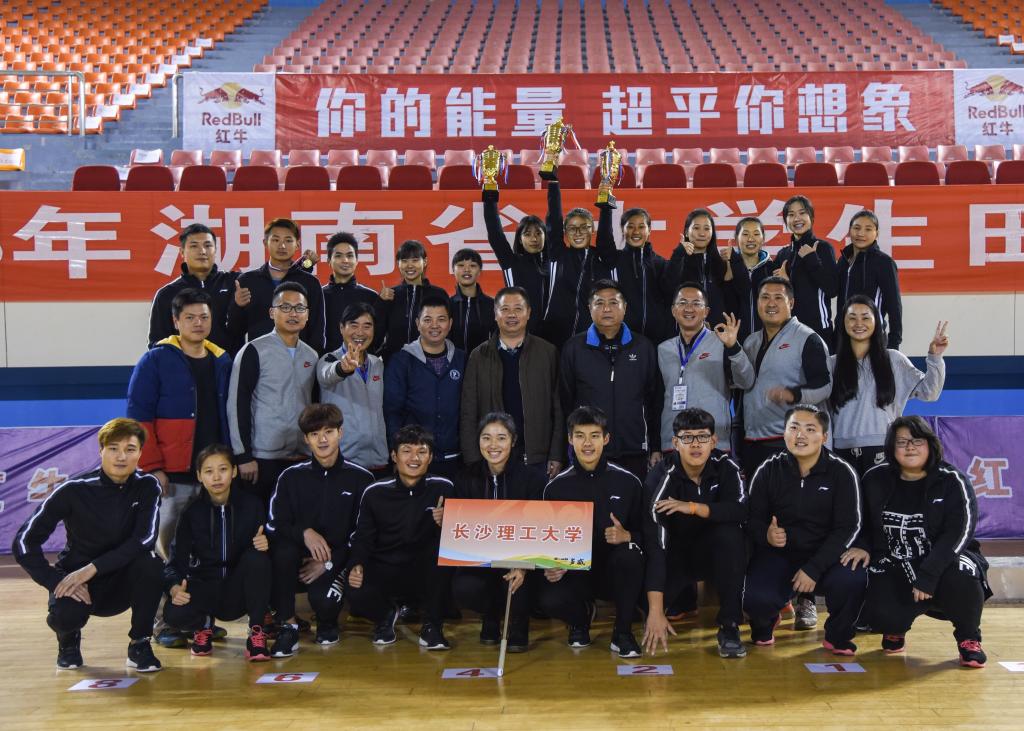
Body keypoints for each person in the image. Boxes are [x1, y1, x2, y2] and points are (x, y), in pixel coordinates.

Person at [12, 418, 164, 671]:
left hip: (121, 580)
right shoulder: (72, 490)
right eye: (113, 448)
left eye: (130, 449)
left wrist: (93, 568)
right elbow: (24, 541)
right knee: (65, 616)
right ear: (101, 450)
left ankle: (140, 644)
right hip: (78, 584)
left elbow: (144, 539)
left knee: (152, 564)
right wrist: (55, 581)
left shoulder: (147, 486)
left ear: (140, 453)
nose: (121, 457)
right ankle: (68, 641)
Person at [861, 416, 991, 668]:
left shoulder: (952, 480)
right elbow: (861, 523)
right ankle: (894, 628)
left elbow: (960, 532)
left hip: (945, 558)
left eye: (917, 441)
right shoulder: (874, 479)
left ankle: (969, 638)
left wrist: (929, 573)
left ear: (930, 445)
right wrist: (862, 546)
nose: (910, 447)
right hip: (897, 558)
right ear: (891, 448)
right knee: (880, 612)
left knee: (963, 573)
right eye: (902, 442)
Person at [743, 405, 866, 655]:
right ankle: (767, 621)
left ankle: (838, 636)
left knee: (852, 579)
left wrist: (814, 567)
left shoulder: (842, 472)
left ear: (824, 436)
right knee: (756, 599)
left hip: (826, 556)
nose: (800, 435)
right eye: (794, 428)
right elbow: (751, 519)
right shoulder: (768, 469)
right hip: (780, 554)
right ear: (784, 433)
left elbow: (848, 527)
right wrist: (766, 534)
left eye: (810, 429)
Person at [127, 288, 233, 561]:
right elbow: (139, 419)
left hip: (214, 471)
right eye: (190, 317)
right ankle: (168, 586)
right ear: (176, 321)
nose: (198, 323)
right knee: (166, 541)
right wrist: (153, 467)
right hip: (172, 474)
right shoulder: (155, 360)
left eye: (204, 317)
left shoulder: (223, 361)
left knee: (211, 539)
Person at [265, 403, 375, 656]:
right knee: (281, 553)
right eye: (314, 434)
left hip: (336, 560)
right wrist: (304, 532)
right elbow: (274, 523)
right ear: (306, 439)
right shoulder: (290, 477)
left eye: (328, 432)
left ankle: (327, 622)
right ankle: (288, 626)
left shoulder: (361, 478)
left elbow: (364, 534)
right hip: (296, 560)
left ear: (340, 433)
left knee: (324, 602)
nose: (322, 439)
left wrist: (329, 562)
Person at [538, 406, 645, 657]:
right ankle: (580, 620)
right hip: (576, 573)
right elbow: (545, 540)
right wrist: (551, 564)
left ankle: (622, 633)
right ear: (570, 439)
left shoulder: (628, 482)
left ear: (606, 439)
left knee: (630, 555)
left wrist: (628, 536)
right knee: (548, 598)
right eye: (580, 435)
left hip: (614, 572)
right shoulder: (555, 488)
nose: (587, 443)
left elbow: (648, 534)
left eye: (594, 435)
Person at [642, 409, 748, 658]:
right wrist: (655, 611)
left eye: (702, 437)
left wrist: (693, 508)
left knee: (731, 535)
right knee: (647, 606)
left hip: (715, 552)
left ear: (714, 441)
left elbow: (741, 510)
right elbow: (655, 542)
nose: (695, 444)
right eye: (687, 438)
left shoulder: (726, 466)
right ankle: (679, 599)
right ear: (675, 443)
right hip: (675, 555)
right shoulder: (661, 476)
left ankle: (730, 625)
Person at [346, 424, 455, 650]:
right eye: (407, 451)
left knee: (443, 560)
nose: (414, 458)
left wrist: (447, 524)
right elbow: (363, 537)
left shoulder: (444, 487)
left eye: (422, 452)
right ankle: (385, 616)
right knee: (355, 588)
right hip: (386, 566)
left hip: (425, 570)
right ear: (394, 456)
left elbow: (460, 538)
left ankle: (433, 626)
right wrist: (356, 564)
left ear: (430, 457)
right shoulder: (375, 491)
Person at [162, 444, 272, 661]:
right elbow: (175, 562)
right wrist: (173, 587)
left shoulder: (252, 505)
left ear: (234, 471)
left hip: (239, 590)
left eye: (223, 469)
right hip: (206, 589)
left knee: (258, 558)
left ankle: (256, 632)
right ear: (199, 476)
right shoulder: (191, 513)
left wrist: (267, 544)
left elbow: (270, 552)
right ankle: (203, 626)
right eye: (209, 471)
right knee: (173, 613)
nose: (216, 477)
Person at [453, 413, 546, 651]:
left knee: (521, 582)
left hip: (521, 558)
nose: (493, 445)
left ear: (513, 441)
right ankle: (490, 616)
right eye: (486, 438)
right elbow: (461, 529)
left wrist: (523, 565)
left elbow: (539, 527)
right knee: (464, 588)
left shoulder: (533, 478)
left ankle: (519, 624)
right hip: (480, 559)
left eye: (501, 438)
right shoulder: (465, 478)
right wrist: (446, 519)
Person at [830, 296, 946, 475]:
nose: (859, 323)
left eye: (866, 317)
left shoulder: (894, 359)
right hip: (841, 453)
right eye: (852, 318)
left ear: (876, 322)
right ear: (843, 323)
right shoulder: (831, 364)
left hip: (884, 450)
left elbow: (930, 392)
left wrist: (935, 357)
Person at [559, 279, 662, 478]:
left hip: (634, 449)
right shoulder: (573, 348)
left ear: (625, 307)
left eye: (614, 302)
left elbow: (654, 402)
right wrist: (567, 448)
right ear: (589, 308)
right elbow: (565, 402)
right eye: (599, 303)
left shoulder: (644, 347)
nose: (607, 309)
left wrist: (655, 446)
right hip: (588, 450)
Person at [227, 282, 319, 506]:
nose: (293, 314)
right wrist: (243, 456)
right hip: (262, 458)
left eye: (299, 308)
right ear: (272, 312)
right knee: (259, 521)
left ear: (307, 315)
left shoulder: (312, 355)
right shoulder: (253, 350)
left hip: (301, 456)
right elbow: (237, 404)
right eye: (285, 307)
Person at [460, 286, 564, 479]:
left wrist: (557, 454)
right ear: (495, 314)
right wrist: (473, 459)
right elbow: (468, 411)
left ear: (528, 313)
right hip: (492, 458)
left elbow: (558, 408)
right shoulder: (479, 356)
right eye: (505, 309)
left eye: (518, 308)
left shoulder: (548, 353)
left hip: (537, 459)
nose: (511, 315)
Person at [741, 277, 832, 479]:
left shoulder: (807, 338)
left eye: (778, 298)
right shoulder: (750, 342)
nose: (771, 303)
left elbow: (825, 386)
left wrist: (793, 394)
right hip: (752, 442)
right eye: (765, 297)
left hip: (789, 442)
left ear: (791, 303)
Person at [657, 282, 754, 452]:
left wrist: (733, 348)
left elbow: (746, 381)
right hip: (673, 443)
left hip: (713, 441)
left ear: (706, 312)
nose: (689, 308)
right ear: (673, 310)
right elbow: (656, 399)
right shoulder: (663, 349)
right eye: (683, 303)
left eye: (696, 303)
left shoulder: (722, 342)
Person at [383, 295, 466, 481]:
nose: (434, 325)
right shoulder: (401, 361)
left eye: (441, 319)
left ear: (450, 324)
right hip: (414, 460)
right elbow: (392, 411)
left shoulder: (463, 359)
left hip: (455, 459)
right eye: (427, 320)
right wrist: (397, 452)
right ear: (417, 323)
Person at [227, 218, 326, 354]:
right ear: (265, 243)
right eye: (275, 240)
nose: (282, 246)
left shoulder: (310, 283)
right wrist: (237, 306)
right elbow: (234, 331)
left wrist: (312, 361)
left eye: (288, 240)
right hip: (259, 358)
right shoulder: (247, 281)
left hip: (299, 358)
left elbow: (317, 330)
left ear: (297, 245)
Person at [482, 178, 560, 335]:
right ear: (519, 238)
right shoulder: (511, 262)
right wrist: (490, 194)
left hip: (552, 335)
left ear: (545, 236)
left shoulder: (554, 263)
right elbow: (495, 233)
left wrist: (553, 182)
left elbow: (555, 221)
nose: (534, 239)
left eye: (538, 233)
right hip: (519, 333)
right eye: (528, 234)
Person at [317, 302, 388, 474]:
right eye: (354, 325)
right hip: (344, 461)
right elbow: (327, 375)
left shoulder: (377, 364)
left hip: (378, 460)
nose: (360, 332)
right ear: (341, 328)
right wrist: (343, 368)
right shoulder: (328, 359)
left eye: (367, 326)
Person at [543, 176, 612, 348]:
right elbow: (554, 219)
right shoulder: (558, 255)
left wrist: (606, 205)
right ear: (565, 232)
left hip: (591, 340)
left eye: (584, 227)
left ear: (593, 229)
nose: (578, 232)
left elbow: (606, 235)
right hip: (555, 337)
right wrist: (553, 182)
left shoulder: (602, 259)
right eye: (572, 228)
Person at [148, 223, 238, 353]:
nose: (202, 251)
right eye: (194, 246)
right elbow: (158, 343)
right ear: (182, 252)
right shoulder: (166, 294)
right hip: (183, 364)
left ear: (215, 250)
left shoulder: (234, 283)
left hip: (229, 363)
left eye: (208, 245)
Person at [594, 205, 674, 343]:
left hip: (657, 339)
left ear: (649, 230)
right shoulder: (614, 260)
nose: (636, 231)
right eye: (630, 226)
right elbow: (604, 240)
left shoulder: (661, 264)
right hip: (623, 338)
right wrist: (605, 208)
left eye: (641, 227)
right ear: (622, 229)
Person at [771, 196, 838, 349]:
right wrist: (785, 284)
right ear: (786, 221)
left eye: (802, 213)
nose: (797, 218)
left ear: (811, 217)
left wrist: (811, 259)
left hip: (819, 330)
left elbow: (832, 289)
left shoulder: (823, 248)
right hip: (788, 330)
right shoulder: (783, 254)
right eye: (791, 214)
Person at [834, 210, 903, 350]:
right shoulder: (844, 260)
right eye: (857, 228)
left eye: (868, 229)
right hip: (843, 336)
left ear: (876, 233)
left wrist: (894, 344)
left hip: (873, 336)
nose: (861, 233)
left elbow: (894, 306)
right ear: (849, 231)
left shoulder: (884, 262)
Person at [377, 239, 449, 361]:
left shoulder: (439, 294)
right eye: (404, 261)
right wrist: (380, 303)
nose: (409, 265)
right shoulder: (390, 295)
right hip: (394, 363)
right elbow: (377, 332)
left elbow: (447, 332)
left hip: (430, 363)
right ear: (398, 263)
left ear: (425, 262)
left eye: (415, 260)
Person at [665, 209, 728, 326]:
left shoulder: (721, 263)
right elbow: (668, 289)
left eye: (707, 228)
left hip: (718, 333)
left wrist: (733, 262)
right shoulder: (677, 262)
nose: (702, 233)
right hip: (685, 332)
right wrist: (678, 254)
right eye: (696, 228)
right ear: (686, 232)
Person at [322, 232, 382, 354]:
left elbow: (378, 336)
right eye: (338, 256)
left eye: (350, 256)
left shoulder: (371, 297)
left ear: (357, 260)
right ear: (329, 260)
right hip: (325, 362)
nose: (345, 260)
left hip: (363, 363)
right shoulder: (319, 295)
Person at [723, 216, 773, 345]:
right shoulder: (725, 267)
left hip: (768, 342)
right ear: (736, 238)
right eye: (745, 234)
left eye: (756, 234)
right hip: (733, 342)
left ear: (763, 238)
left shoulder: (773, 269)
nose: (751, 239)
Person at [449, 247, 495, 353]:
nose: (467, 269)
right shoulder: (447, 305)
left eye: (472, 265)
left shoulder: (491, 305)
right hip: (452, 362)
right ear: (453, 270)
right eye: (461, 265)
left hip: (482, 361)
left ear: (479, 271)